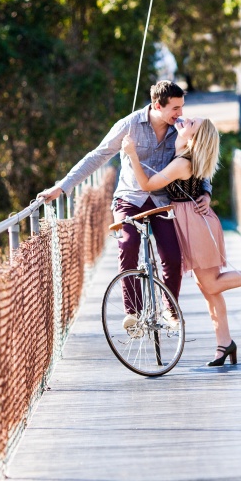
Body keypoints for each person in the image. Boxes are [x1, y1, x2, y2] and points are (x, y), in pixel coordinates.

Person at [122, 116, 241, 367]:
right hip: (192, 221)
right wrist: (206, 192)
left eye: (191, 123)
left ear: (194, 137)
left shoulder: (183, 163)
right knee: (208, 289)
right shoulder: (183, 155)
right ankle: (224, 344)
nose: (186, 120)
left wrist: (131, 154)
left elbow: (147, 184)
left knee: (212, 285)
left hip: (196, 224)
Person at [37, 81, 211, 324]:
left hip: (162, 200)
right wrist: (62, 186)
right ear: (157, 105)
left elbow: (200, 154)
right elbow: (97, 156)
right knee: (128, 245)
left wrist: (206, 190)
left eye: (181, 107)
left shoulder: (179, 129)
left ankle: (170, 309)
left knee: (172, 254)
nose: (180, 113)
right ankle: (134, 312)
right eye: (175, 108)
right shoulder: (129, 125)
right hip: (129, 199)